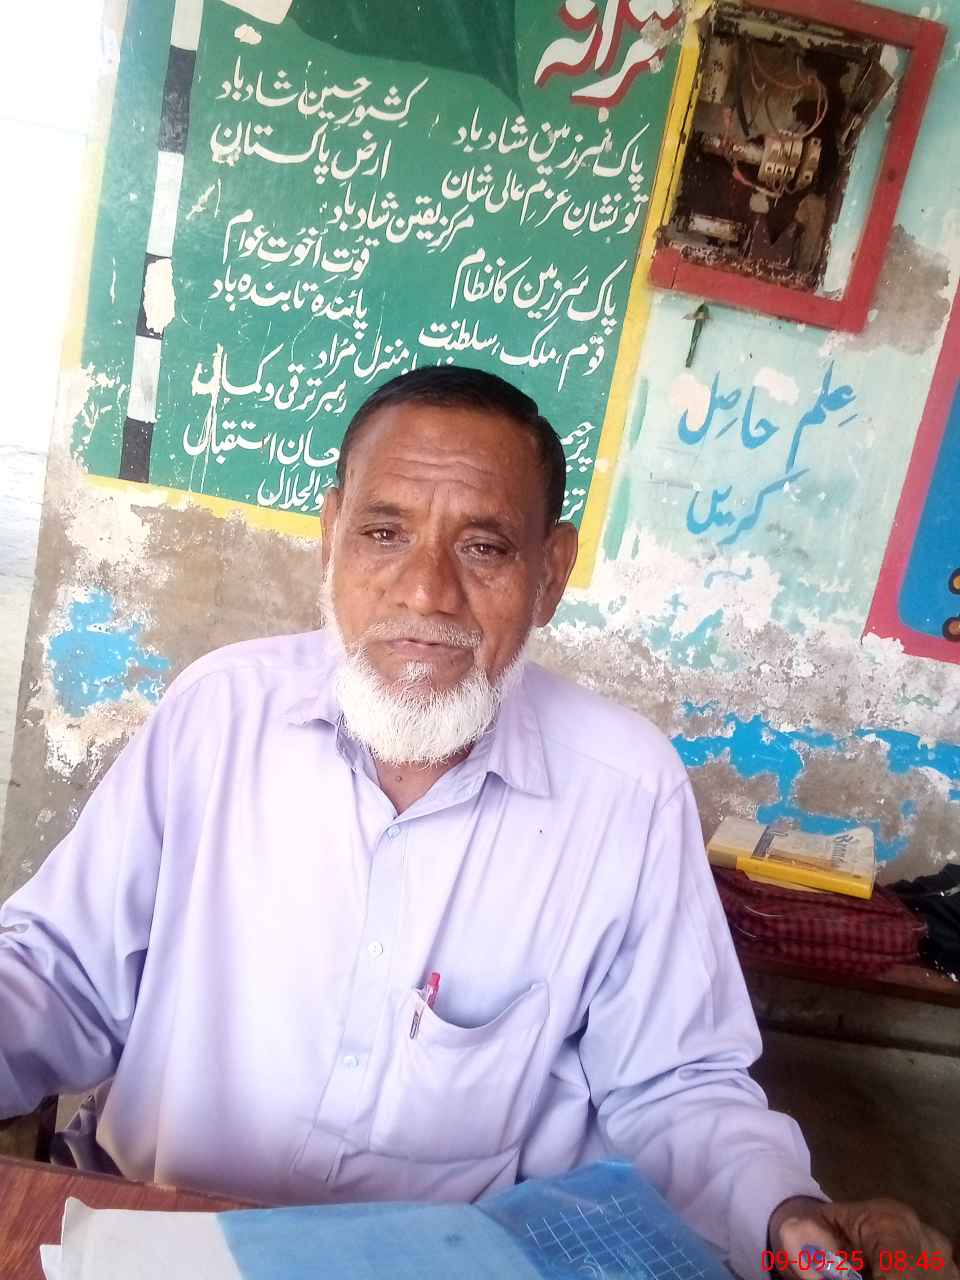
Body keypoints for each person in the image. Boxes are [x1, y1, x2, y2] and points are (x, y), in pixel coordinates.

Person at [0, 367, 953, 1280]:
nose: (425, 592)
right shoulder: (218, 715)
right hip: (155, 1235)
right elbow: (60, 973)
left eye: (484, 547)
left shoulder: (626, 792)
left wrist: (785, 1213)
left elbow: (675, 1087)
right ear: (331, 539)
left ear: (551, 573)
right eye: (383, 533)